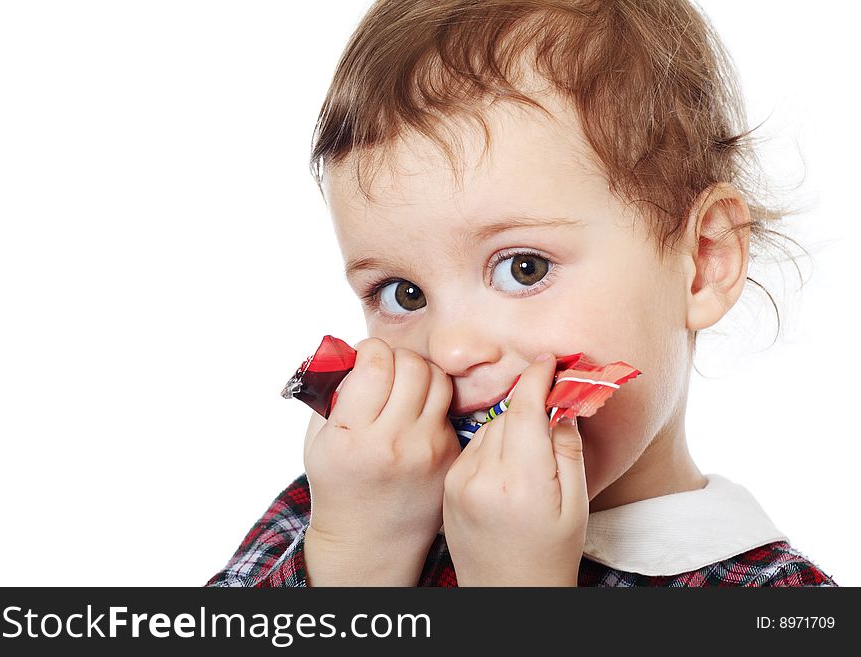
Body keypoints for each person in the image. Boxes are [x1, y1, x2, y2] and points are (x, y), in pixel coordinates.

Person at [206, 0, 836, 587]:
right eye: (403, 293)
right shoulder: (344, 505)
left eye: (524, 268)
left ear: (702, 262)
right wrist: (358, 554)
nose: (450, 349)